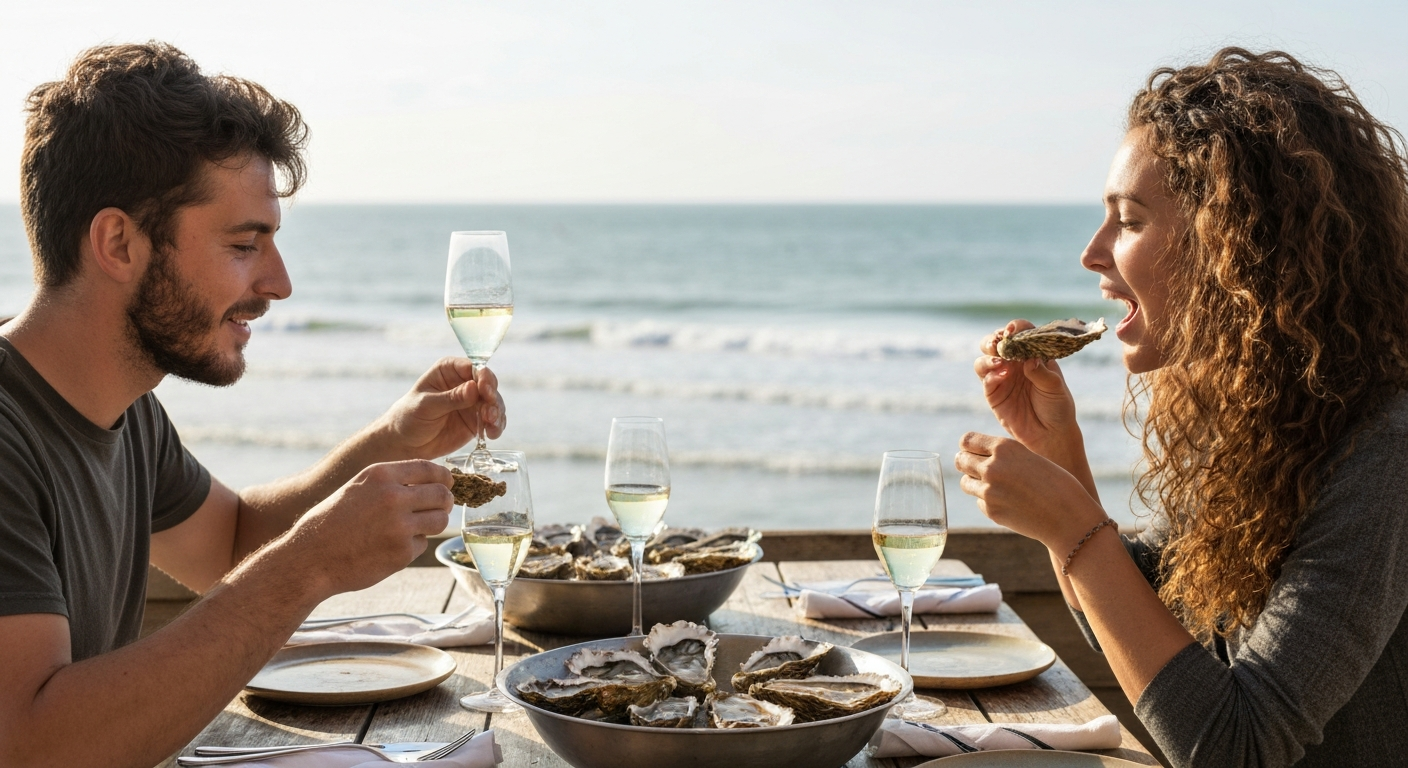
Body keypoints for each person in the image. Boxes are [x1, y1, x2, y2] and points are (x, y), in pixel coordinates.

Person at [0, 43, 506, 767]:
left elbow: (231, 544)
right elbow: (31, 743)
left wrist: (394, 440)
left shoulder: (121, 408)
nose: (279, 282)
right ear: (118, 243)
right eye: (245, 244)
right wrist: (307, 568)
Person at [954, 48, 1408, 767]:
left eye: (1129, 221)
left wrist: (1072, 525)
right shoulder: (1265, 417)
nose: (1092, 253)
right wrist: (1059, 459)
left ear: (1237, 242)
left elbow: (1239, 744)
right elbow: (1159, 623)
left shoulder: (1385, 452)